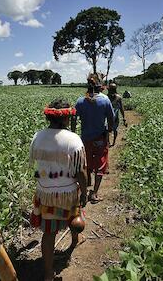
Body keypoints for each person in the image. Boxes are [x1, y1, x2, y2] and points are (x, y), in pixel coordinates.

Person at [29, 99, 87, 281]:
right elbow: (81, 171)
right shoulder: (73, 139)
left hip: (45, 192)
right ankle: (75, 240)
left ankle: (47, 273)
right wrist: (84, 191)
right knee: (75, 218)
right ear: (67, 117)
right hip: (67, 193)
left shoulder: (37, 137)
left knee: (49, 233)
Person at [71, 73, 114, 204]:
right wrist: (109, 130)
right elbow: (111, 119)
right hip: (100, 138)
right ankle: (94, 193)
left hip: (85, 139)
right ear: (99, 85)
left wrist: (73, 133)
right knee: (100, 165)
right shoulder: (105, 100)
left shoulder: (80, 101)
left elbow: (73, 118)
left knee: (87, 163)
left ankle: (86, 186)